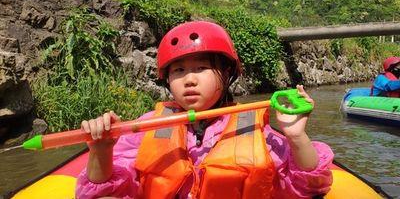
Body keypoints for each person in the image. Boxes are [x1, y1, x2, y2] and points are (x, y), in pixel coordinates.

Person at [75, 21, 334, 198]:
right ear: (167, 79)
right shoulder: (147, 126)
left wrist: (297, 137)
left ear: (228, 72)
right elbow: (104, 193)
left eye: (200, 68)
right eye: (178, 70)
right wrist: (101, 151)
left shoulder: (254, 128)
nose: (189, 79)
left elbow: (309, 187)